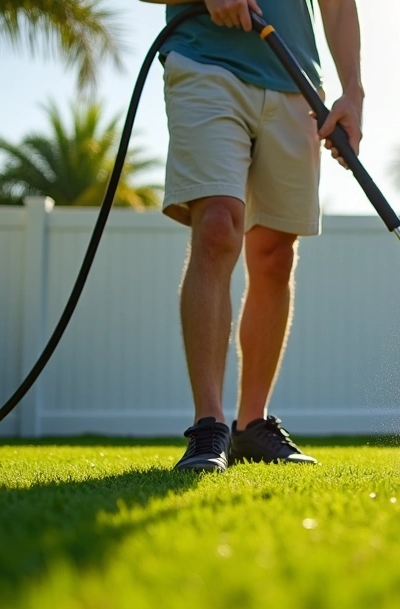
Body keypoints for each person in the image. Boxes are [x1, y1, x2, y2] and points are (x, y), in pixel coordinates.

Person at [141, 0, 364, 471]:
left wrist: (352, 91)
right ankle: (209, 426)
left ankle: (251, 425)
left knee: (275, 254)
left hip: (294, 78)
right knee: (218, 227)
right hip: (206, 63)